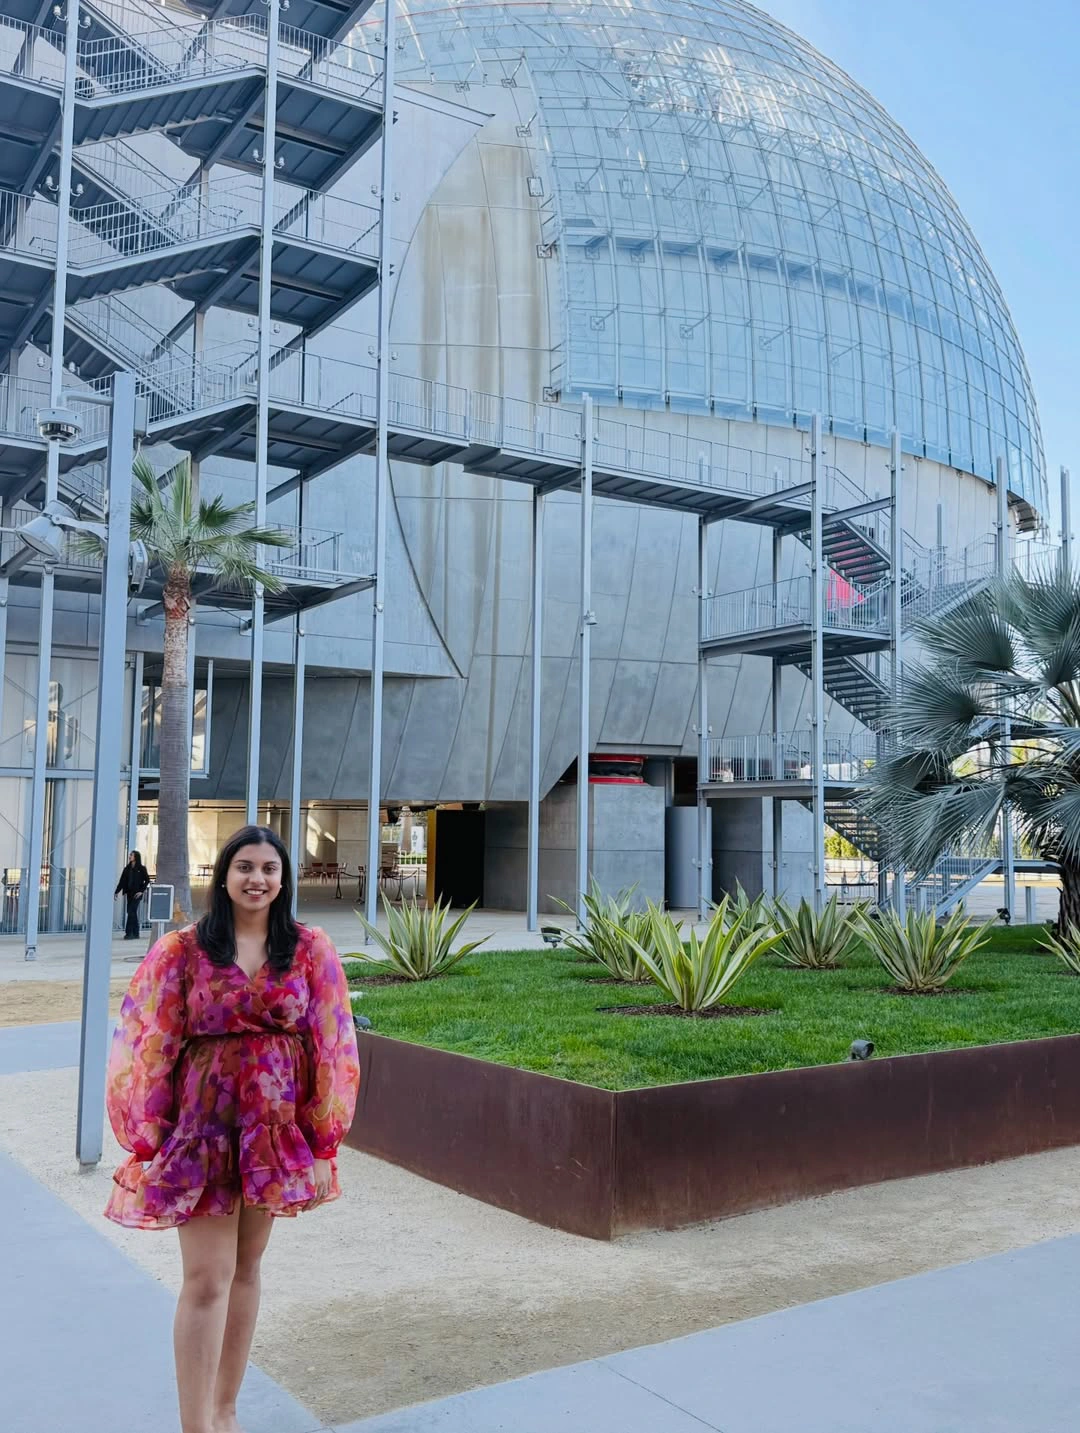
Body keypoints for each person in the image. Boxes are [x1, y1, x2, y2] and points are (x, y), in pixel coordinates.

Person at [103, 825, 360, 1433]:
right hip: (203, 1131)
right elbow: (149, 1041)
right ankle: (196, 1425)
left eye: (269, 868)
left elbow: (332, 1045)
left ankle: (225, 1411)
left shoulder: (309, 949)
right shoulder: (183, 950)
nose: (257, 879)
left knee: (246, 1269)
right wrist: (149, 1136)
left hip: (272, 1133)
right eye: (244, 867)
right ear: (223, 876)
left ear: (283, 879)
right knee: (205, 1279)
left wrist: (323, 1144)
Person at [115, 849, 150, 940]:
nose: (130, 856)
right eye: (130, 855)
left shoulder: (141, 868)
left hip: (137, 894)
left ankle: (129, 933)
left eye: (131, 855)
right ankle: (136, 933)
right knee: (132, 912)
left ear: (136, 857)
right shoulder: (127, 869)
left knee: (131, 912)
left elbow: (147, 880)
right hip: (129, 893)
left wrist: (141, 891)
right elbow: (122, 881)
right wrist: (116, 891)